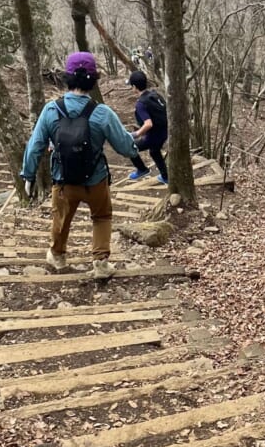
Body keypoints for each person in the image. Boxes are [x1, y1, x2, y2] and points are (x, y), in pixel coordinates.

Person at [20, 51, 138, 279]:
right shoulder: (102, 112)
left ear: (67, 77)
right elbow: (125, 147)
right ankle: (101, 263)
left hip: (63, 181)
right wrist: (137, 147)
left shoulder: (51, 110)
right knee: (102, 216)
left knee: (61, 217)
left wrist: (28, 175)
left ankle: (57, 255)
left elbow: (35, 145)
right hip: (96, 180)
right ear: (93, 79)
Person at [126, 70, 168, 185]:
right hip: (165, 132)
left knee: (130, 147)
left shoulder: (141, 103)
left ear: (134, 87)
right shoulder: (155, 95)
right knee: (154, 151)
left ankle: (142, 169)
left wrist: (136, 134)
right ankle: (166, 177)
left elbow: (148, 124)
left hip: (154, 135)